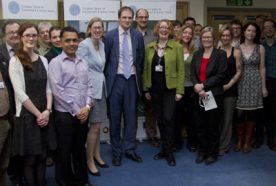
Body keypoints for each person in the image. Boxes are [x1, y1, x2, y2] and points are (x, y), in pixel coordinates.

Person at [9, 22, 56, 186]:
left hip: (45, 114)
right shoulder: (15, 61)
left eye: (33, 35)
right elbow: (20, 93)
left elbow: (49, 88)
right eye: (27, 35)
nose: (31, 38)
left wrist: (48, 111)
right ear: (21, 38)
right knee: (30, 159)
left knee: (43, 156)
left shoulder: (43, 60)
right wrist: (38, 114)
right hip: (29, 116)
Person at [48, 26, 92, 186]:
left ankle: (82, 180)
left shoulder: (83, 62)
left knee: (80, 150)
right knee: (64, 152)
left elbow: (89, 86)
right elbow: (57, 91)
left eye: (75, 40)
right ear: (61, 41)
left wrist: (87, 107)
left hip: (83, 113)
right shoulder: (55, 63)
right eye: (68, 40)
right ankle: (64, 181)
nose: (72, 43)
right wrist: (76, 110)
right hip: (65, 115)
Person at [103, 6, 145, 166]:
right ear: (119, 18)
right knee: (114, 118)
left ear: (132, 19)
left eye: (129, 18)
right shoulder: (109, 36)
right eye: (124, 17)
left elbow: (140, 58)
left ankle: (129, 149)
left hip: (132, 81)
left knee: (131, 118)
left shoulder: (137, 36)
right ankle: (116, 152)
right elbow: (105, 60)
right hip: (115, 81)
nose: (127, 20)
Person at [143, 19, 185, 166]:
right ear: (157, 29)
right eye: (161, 27)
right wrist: (146, 88)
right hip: (154, 90)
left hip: (170, 90)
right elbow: (146, 70)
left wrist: (180, 91)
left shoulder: (177, 47)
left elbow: (181, 71)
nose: (164, 30)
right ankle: (164, 149)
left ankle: (169, 152)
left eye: (167, 28)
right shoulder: (150, 47)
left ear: (170, 30)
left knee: (168, 119)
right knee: (160, 120)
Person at [77, 17, 109, 176]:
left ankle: (97, 155)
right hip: (90, 90)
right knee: (94, 127)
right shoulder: (84, 45)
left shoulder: (102, 44)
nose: (98, 30)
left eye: (100, 27)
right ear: (89, 29)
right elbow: (80, 70)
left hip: (101, 88)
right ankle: (89, 160)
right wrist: (86, 94)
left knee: (98, 125)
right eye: (95, 27)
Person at [191, 26, 227, 165]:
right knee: (200, 126)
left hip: (213, 95)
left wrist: (203, 85)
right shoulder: (197, 54)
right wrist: (197, 87)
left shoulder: (220, 54)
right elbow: (193, 74)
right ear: (201, 39)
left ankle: (212, 153)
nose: (206, 39)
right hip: (198, 95)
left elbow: (221, 75)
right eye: (204, 37)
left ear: (213, 39)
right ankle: (202, 151)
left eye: (209, 37)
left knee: (212, 126)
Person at [235, 22, 267, 153]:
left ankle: (248, 141)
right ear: (244, 32)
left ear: (256, 33)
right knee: (239, 113)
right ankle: (239, 140)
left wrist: (263, 87)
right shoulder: (237, 47)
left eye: (253, 31)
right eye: (248, 30)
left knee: (252, 113)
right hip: (240, 82)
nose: (251, 33)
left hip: (255, 82)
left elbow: (262, 67)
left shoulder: (260, 48)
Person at [0, 20, 24, 186]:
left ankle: (17, 178)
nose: (15, 35)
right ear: (4, 35)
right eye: (11, 32)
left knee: (19, 148)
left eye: (17, 31)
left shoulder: (28, 52)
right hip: (5, 111)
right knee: (4, 150)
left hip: (23, 108)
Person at [135, 8, 159, 147]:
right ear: (136, 19)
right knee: (131, 108)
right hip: (134, 77)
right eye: (140, 17)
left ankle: (152, 135)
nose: (143, 19)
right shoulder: (131, 34)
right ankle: (130, 137)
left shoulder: (154, 36)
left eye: (145, 17)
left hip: (150, 77)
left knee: (151, 109)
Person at [218, 24, 242, 156]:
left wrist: (229, 84)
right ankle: (215, 143)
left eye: (228, 35)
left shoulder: (236, 52)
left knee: (227, 120)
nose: (225, 37)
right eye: (223, 35)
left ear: (231, 37)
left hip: (230, 90)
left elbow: (239, 71)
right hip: (215, 90)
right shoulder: (215, 50)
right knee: (216, 119)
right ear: (220, 37)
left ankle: (223, 146)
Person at [255, 19, 276, 151]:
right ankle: (258, 138)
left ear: (274, 29)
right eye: (266, 27)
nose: (268, 29)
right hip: (260, 81)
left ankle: (271, 139)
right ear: (262, 30)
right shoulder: (259, 46)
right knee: (260, 111)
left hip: (275, 81)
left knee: (273, 112)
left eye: (271, 27)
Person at [175, 25, 197, 152]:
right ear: (181, 34)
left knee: (192, 117)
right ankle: (176, 142)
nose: (187, 35)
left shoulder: (195, 51)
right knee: (176, 117)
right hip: (177, 87)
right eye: (185, 32)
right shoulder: (174, 48)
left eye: (190, 33)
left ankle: (192, 142)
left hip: (191, 88)